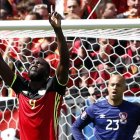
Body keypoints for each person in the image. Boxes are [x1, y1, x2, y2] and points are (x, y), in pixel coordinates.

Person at [0, 11, 69, 140]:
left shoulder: (54, 87)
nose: (34, 64)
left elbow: (64, 62)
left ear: (47, 74)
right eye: (33, 62)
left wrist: (58, 30)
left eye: (40, 63)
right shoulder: (20, 86)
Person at [71, 73, 140, 140]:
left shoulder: (134, 110)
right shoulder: (95, 108)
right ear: (108, 87)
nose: (115, 87)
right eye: (112, 85)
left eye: (118, 85)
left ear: (124, 88)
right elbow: (75, 127)